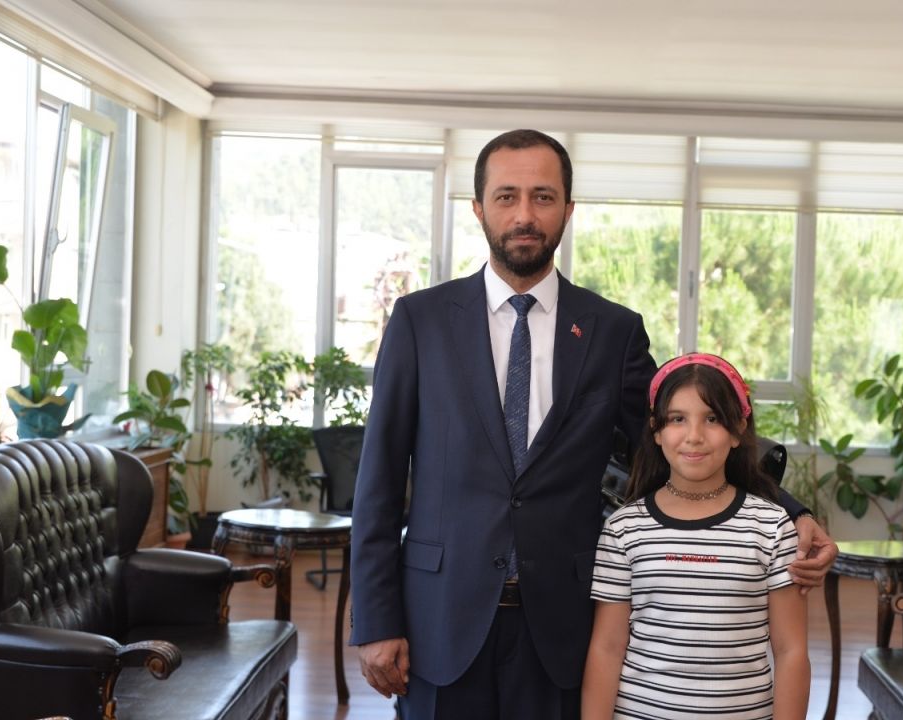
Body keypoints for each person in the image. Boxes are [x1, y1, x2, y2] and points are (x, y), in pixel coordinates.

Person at [350, 129, 834, 719]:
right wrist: (375, 620)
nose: (524, 215)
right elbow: (378, 480)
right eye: (506, 196)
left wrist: (793, 511)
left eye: (543, 197)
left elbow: (673, 439)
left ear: (568, 209)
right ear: (478, 208)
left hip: (561, 624)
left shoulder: (613, 331)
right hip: (439, 620)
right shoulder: (419, 321)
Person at [582, 353, 809, 720]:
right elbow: (607, 648)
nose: (694, 436)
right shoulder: (624, 529)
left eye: (712, 419)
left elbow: (791, 651)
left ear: (738, 430)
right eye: (678, 419)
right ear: (656, 430)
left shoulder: (772, 527)